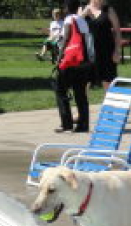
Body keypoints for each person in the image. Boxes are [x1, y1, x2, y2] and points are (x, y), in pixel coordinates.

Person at [54, 0, 93, 133]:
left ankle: (67, 123)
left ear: (66, 8)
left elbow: (66, 39)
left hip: (71, 61)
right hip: (84, 62)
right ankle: (83, 124)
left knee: (60, 90)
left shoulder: (69, 19)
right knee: (80, 93)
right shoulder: (83, 21)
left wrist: (59, 59)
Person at [80, 0, 122, 89]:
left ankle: (111, 102)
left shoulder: (108, 10)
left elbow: (117, 31)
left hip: (107, 51)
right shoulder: (82, 9)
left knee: (108, 81)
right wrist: (83, 14)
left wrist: (117, 51)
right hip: (87, 52)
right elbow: (75, 27)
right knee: (85, 82)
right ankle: (83, 103)